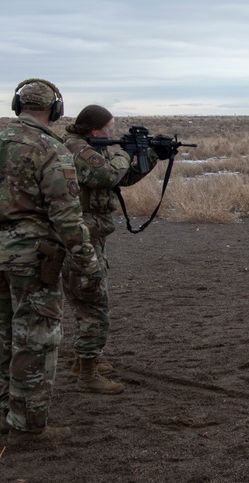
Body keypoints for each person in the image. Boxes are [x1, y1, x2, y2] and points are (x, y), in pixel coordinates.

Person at [0, 79, 102, 445]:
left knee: (7, 333)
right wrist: (86, 258)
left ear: (18, 105)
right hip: (33, 258)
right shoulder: (51, 148)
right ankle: (29, 427)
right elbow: (66, 215)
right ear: (55, 110)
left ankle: (9, 413)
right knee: (37, 338)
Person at [61, 105, 171, 393]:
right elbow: (106, 176)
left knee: (88, 299)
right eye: (110, 128)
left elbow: (121, 178)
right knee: (93, 302)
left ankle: (83, 360)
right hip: (79, 236)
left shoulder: (92, 148)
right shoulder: (76, 148)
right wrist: (125, 151)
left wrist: (151, 154)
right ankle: (87, 374)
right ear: (95, 130)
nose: (114, 133)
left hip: (91, 234)